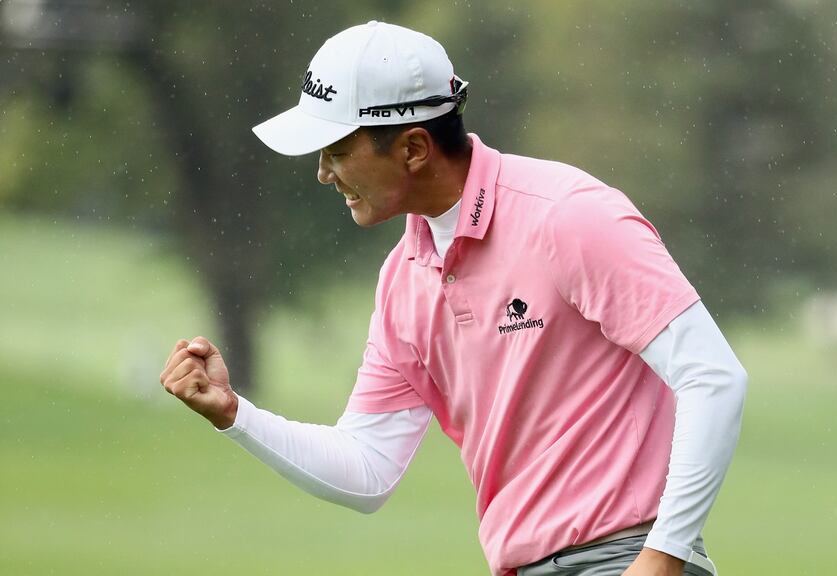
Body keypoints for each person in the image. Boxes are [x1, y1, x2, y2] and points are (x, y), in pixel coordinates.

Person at [159, 20, 747, 576]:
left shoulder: (567, 217)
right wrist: (235, 415)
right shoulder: (403, 279)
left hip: (624, 557)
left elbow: (712, 376)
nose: (323, 174)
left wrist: (664, 555)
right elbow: (368, 469)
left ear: (414, 149)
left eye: (337, 152)